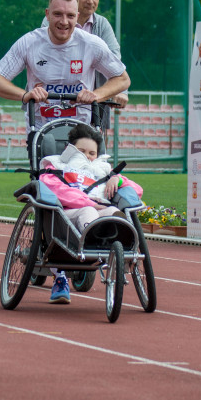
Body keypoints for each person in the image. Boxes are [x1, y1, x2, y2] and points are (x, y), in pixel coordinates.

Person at [0, 0, 130, 133]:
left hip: (80, 133)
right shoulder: (29, 43)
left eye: (70, 15)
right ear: (47, 14)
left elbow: (122, 79)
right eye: (58, 14)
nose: (64, 21)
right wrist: (25, 95)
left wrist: (96, 95)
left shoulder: (91, 44)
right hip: (40, 131)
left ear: (77, 16)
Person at [38, 123, 143, 303]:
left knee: (114, 211)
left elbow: (137, 190)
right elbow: (53, 188)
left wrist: (116, 180)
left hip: (100, 212)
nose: (87, 156)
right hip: (67, 217)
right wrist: (89, 204)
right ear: (70, 150)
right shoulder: (55, 166)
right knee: (87, 210)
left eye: (92, 153)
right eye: (82, 151)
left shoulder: (104, 170)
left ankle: (121, 245)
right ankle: (94, 244)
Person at [41, 0, 129, 123]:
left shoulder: (102, 24)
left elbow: (114, 60)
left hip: (92, 102)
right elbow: (45, 54)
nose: (90, 1)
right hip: (56, 99)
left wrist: (121, 91)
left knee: (94, 144)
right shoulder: (51, 21)